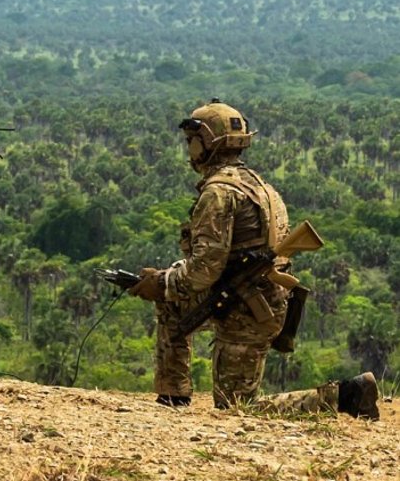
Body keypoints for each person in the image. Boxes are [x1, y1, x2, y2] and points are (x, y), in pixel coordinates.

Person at [127, 99, 379, 420]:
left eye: (192, 140)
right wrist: (166, 284)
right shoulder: (258, 185)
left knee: (237, 409)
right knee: (173, 302)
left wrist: (161, 281)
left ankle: (347, 395)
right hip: (251, 300)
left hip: (247, 311)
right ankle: (173, 397)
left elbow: (204, 270)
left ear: (208, 143)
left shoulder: (218, 192)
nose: (188, 148)